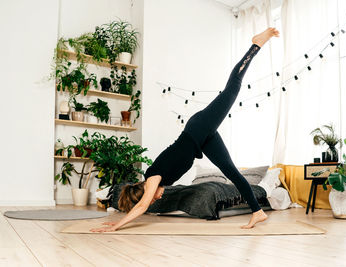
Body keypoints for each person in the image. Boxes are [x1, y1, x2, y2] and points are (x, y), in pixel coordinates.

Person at [91, 27, 280, 233]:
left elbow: (143, 205)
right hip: (201, 139)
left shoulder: (153, 177)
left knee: (232, 88)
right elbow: (144, 203)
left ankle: (256, 44)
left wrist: (116, 226)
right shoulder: (161, 179)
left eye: (152, 196)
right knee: (232, 172)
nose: (157, 198)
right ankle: (257, 212)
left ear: (146, 190)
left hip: (198, 128)